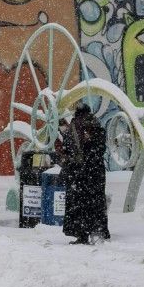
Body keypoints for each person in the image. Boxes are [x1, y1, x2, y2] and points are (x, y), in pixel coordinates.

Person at [59, 102, 111, 244]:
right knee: (96, 202)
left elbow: (67, 148)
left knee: (79, 204)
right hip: (96, 171)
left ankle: (82, 235)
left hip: (79, 172)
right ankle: (99, 231)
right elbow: (100, 149)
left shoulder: (74, 126)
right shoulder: (97, 125)